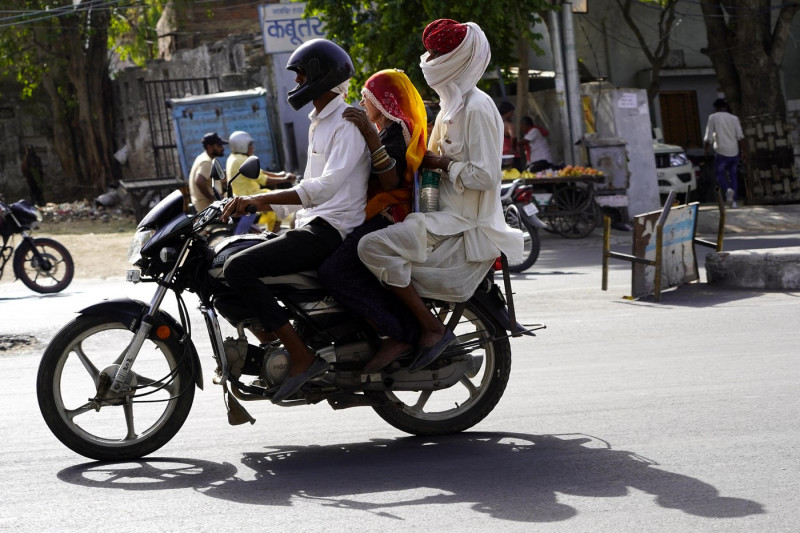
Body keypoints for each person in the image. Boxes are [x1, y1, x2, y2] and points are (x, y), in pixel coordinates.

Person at [357, 19, 523, 372]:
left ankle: (430, 331)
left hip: (463, 222)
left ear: (457, 58)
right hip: (437, 212)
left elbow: (488, 175)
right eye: (429, 51)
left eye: (437, 53)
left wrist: (444, 163)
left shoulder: (477, 108)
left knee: (370, 248)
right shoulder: (451, 106)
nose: (429, 59)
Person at [220, 38, 370, 403]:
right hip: (313, 223)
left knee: (239, 269)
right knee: (221, 265)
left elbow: (324, 187)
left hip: (332, 229)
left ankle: (301, 357)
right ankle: (277, 352)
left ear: (322, 76)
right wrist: (259, 209)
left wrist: (260, 198)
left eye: (302, 75)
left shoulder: (346, 122)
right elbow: (306, 188)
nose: (297, 83)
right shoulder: (319, 122)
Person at [317, 69, 427, 373]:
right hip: (369, 212)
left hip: (390, 216)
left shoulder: (398, 130)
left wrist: (366, 132)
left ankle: (398, 332)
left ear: (383, 101)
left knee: (334, 271)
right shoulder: (386, 131)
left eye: (368, 99)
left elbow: (390, 181)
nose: (364, 105)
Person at [226, 130, 296, 234]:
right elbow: (264, 180)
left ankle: (269, 233)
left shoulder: (233, 158)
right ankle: (271, 239)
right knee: (279, 204)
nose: (253, 148)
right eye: (251, 145)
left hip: (243, 195)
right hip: (249, 195)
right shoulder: (241, 159)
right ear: (242, 145)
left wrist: (280, 174)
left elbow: (260, 172)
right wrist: (285, 179)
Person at [704, 98, 746, 208]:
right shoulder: (734, 118)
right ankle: (734, 202)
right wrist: (743, 151)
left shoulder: (713, 118)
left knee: (719, 175)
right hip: (734, 151)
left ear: (716, 108)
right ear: (726, 107)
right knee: (733, 176)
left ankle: (727, 190)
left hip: (721, 151)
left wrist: (706, 149)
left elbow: (708, 137)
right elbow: (740, 137)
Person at [189, 132, 227, 212]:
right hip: (208, 208)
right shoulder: (206, 161)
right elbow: (199, 181)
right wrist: (213, 199)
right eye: (219, 145)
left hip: (207, 207)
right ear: (209, 146)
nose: (222, 148)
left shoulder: (203, 158)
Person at [498, 100, 520, 170]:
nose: (512, 115)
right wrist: (513, 148)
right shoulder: (509, 125)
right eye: (511, 112)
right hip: (512, 157)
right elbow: (513, 136)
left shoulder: (496, 124)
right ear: (506, 112)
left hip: (501, 156)